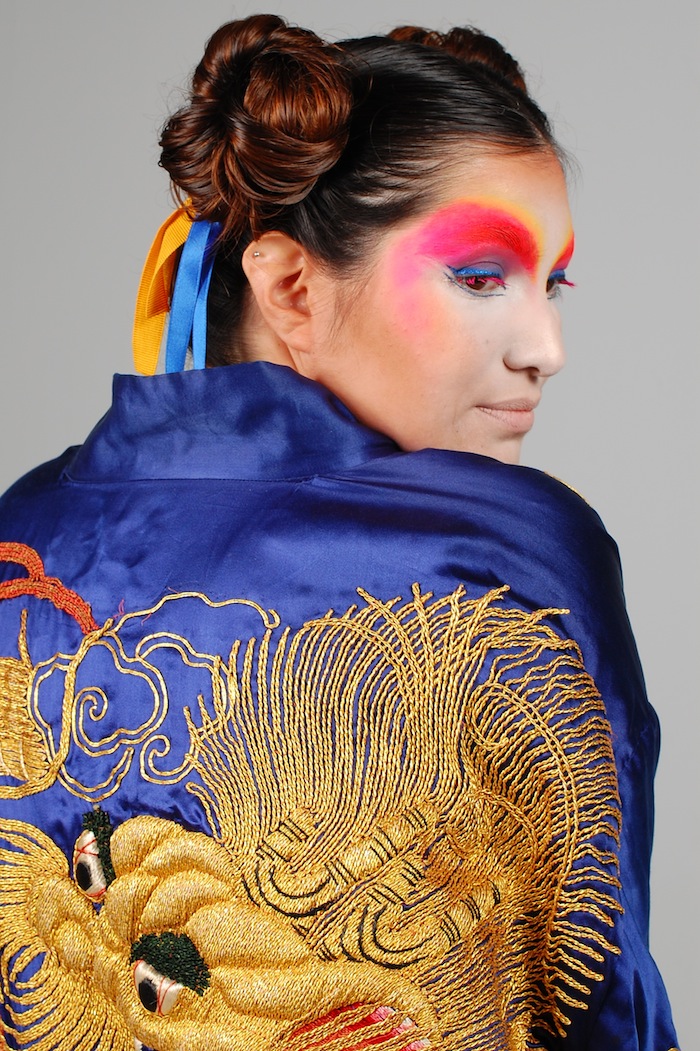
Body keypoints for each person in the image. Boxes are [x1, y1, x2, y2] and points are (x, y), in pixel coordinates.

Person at [0, 14, 678, 1051]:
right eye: (480, 278)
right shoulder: (505, 552)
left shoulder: (20, 529)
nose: (545, 345)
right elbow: (601, 998)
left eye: (552, 283)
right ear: (291, 288)